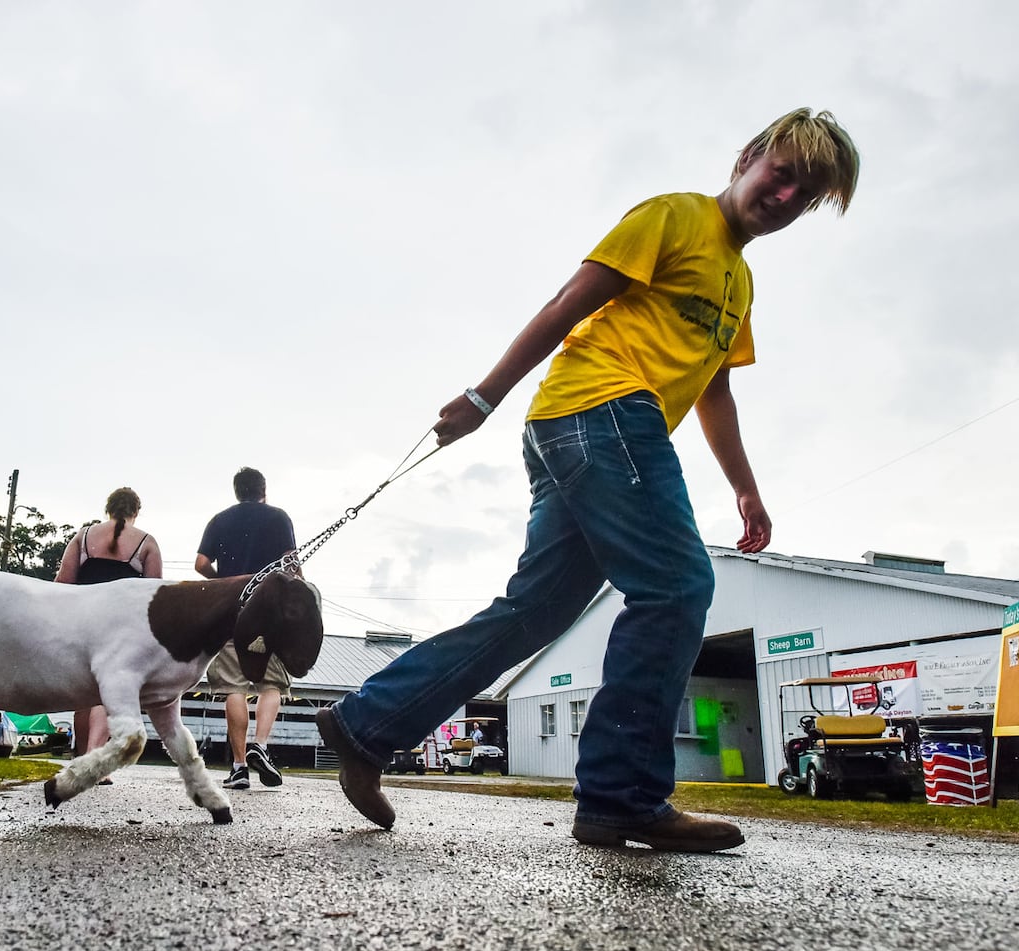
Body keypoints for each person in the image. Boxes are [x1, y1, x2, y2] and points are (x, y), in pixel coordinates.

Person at [317, 108, 859, 853]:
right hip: (600, 410)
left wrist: (745, 487)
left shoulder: (739, 282)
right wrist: (483, 396)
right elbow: (570, 299)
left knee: (533, 613)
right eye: (783, 173)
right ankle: (621, 797)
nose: (787, 196)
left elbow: (714, 391)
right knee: (674, 587)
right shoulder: (674, 216)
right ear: (748, 156)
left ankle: (365, 724)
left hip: (586, 430)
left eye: (809, 195)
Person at [195, 466, 297, 791]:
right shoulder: (280, 517)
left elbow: (199, 564)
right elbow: (291, 564)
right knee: (272, 685)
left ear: (237, 491)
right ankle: (261, 745)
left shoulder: (220, 519)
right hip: (270, 608)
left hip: (232, 609)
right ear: (263, 490)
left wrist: (222, 584)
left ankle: (239, 768)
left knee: (233, 686)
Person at [55, 487, 164, 777]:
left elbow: (63, 582)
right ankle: (93, 758)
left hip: (82, 621)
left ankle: (81, 757)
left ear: (108, 509)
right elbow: (154, 596)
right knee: (105, 694)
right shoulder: (146, 542)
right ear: (136, 512)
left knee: (82, 693)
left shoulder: (84, 536)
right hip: (121, 629)